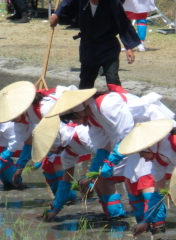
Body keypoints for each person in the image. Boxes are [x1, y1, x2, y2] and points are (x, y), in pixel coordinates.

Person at [44, 87, 175, 221]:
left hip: (150, 131)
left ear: (78, 110)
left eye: (72, 118)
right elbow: (103, 147)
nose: (73, 123)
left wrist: (110, 163)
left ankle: (155, 223)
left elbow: (125, 133)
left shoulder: (106, 104)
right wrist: (94, 173)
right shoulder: (91, 119)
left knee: (144, 179)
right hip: (131, 142)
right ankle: (142, 224)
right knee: (130, 182)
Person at [50, 0, 140, 89]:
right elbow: (66, 2)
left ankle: (118, 101)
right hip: (89, 47)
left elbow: (123, 23)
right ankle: (85, 102)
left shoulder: (113, 2)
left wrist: (129, 47)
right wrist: (57, 14)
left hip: (108, 46)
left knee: (113, 80)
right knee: (85, 83)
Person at [115, 119, 175, 237]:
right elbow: (157, 193)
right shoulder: (157, 162)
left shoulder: (172, 142)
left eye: (142, 154)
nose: (143, 159)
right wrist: (146, 221)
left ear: (149, 148)